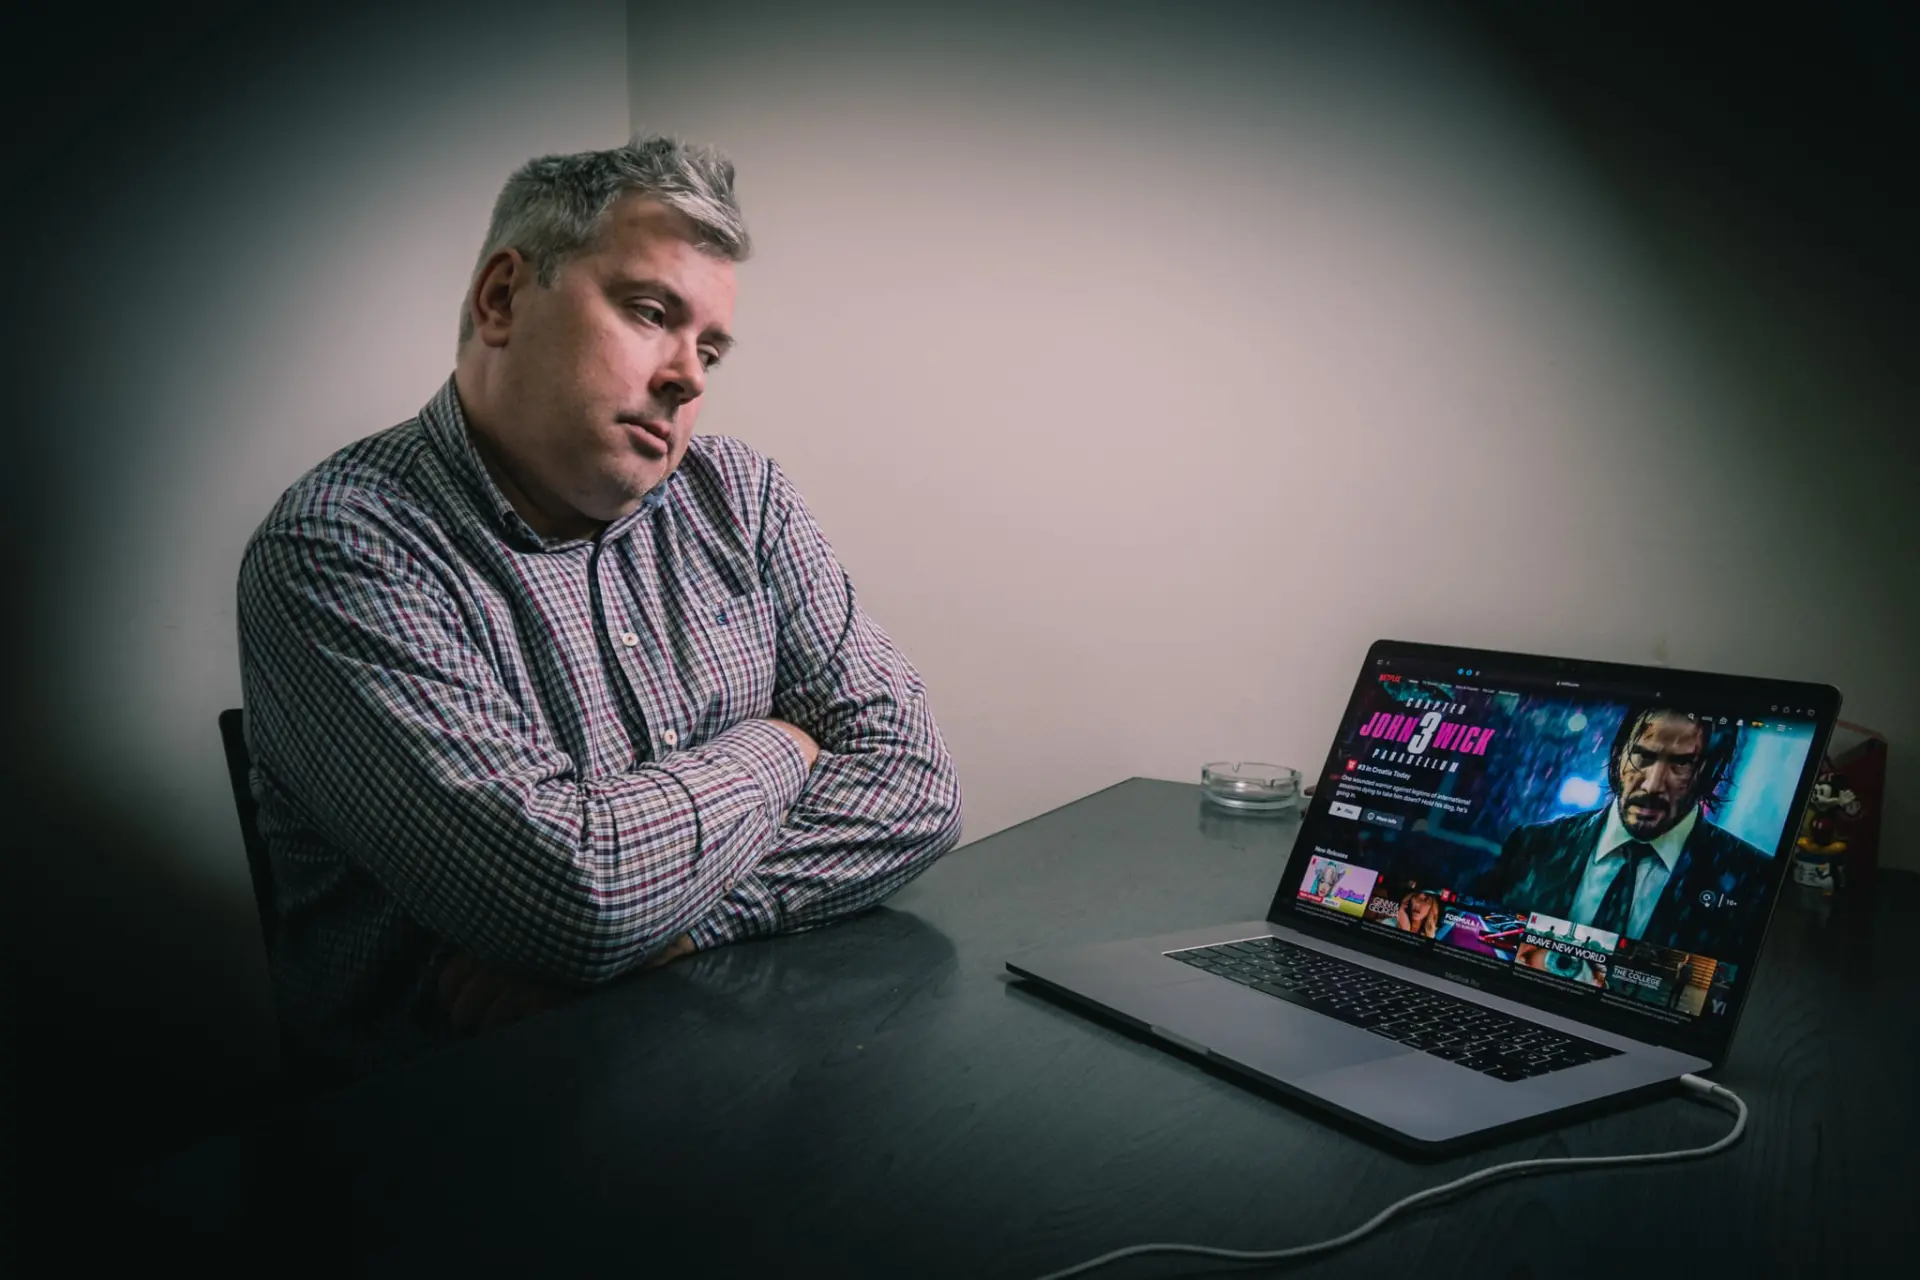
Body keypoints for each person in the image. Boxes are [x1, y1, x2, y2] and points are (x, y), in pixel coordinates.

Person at [237, 135, 964, 1078]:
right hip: (445, 1124)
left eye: (710, 350)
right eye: (651, 313)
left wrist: (675, 934)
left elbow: (918, 787)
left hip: (721, 1065)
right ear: (503, 299)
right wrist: (783, 746)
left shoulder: (742, 499)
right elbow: (573, 896)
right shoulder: (341, 548)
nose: (689, 375)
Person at [1474, 707, 1768, 958]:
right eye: (1643, 756)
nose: (1652, 785)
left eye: (1680, 763)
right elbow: (1482, 940)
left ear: (1710, 773)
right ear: (1618, 755)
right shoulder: (1532, 845)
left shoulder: (1753, 880)